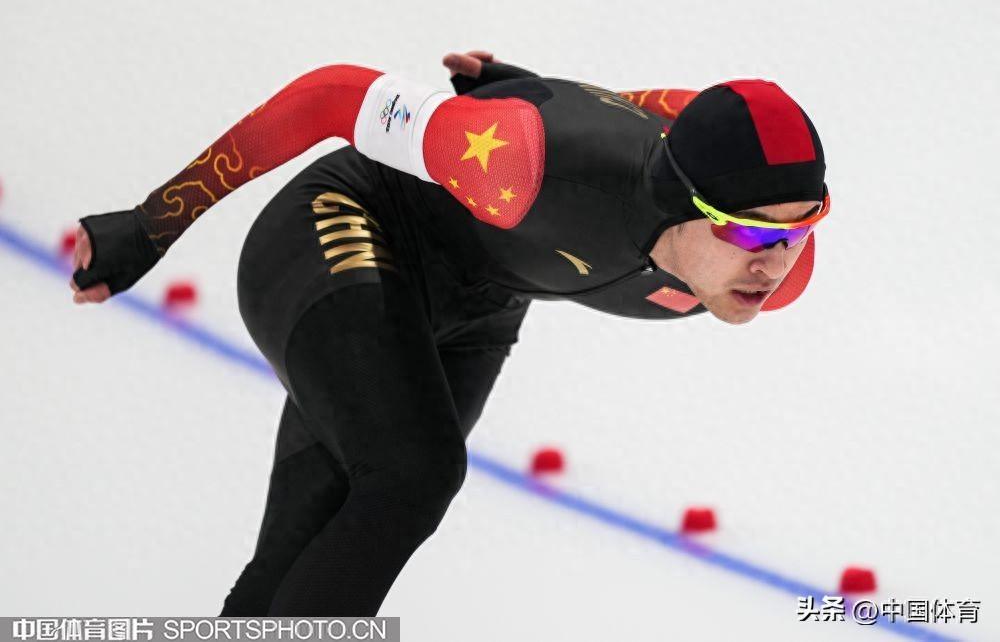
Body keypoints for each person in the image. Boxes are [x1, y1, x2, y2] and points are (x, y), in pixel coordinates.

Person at [68, 50, 831, 615]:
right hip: (346, 228)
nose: (775, 264)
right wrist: (149, 224)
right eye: (751, 232)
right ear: (682, 199)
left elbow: (672, 110)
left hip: (481, 302)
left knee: (298, 560)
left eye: (802, 229)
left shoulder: (776, 271)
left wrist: (531, 84)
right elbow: (331, 95)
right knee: (412, 477)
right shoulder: (520, 163)